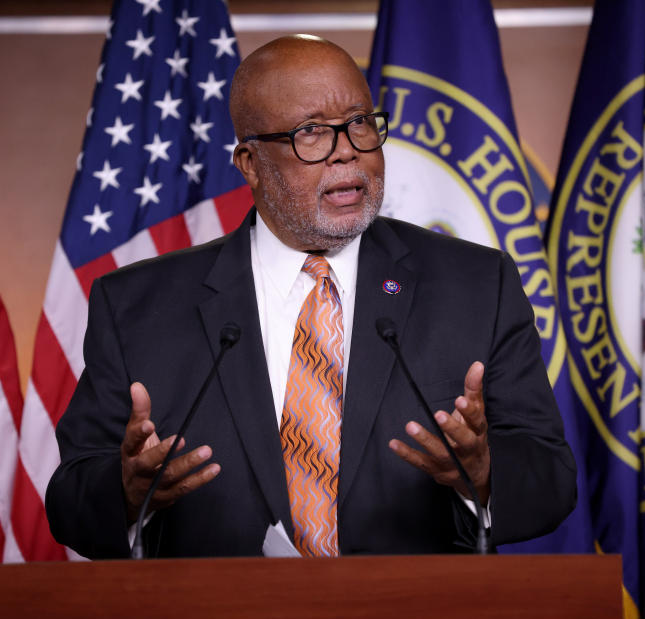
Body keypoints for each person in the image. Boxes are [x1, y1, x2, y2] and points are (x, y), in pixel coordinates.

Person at [45, 35, 576, 559]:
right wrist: (129, 494)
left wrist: (483, 477)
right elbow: (70, 498)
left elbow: (551, 478)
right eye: (312, 132)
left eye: (360, 122)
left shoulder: (477, 285)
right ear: (250, 163)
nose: (347, 150)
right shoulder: (138, 306)